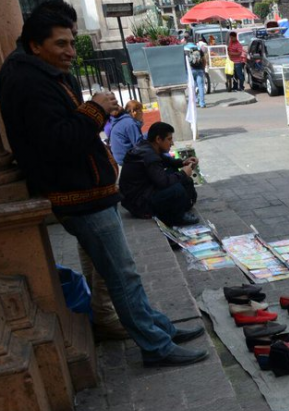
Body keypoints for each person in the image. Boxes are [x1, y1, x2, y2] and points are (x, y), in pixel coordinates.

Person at [0, 3, 207, 367]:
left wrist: (92, 110)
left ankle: (157, 328)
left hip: (92, 190)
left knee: (120, 271)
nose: (69, 51)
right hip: (78, 195)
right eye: (61, 44)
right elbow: (57, 142)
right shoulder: (26, 81)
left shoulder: (46, 72)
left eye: (72, 41)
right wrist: (95, 109)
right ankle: (155, 345)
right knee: (121, 273)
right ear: (35, 45)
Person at [119, 122, 199, 227]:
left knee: (176, 174)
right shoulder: (149, 155)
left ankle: (183, 206)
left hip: (141, 193)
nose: (172, 143)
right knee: (176, 188)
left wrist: (183, 162)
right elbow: (163, 182)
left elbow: (165, 160)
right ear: (158, 139)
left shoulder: (148, 147)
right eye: (169, 139)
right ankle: (177, 218)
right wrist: (183, 173)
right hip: (139, 204)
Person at [109, 100, 145, 165]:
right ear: (133, 112)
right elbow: (139, 144)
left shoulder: (120, 121)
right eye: (140, 111)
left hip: (120, 157)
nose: (142, 113)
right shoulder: (130, 123)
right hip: (127, 159)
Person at [187, 42, 207, 108]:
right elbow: (204, 60)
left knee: (192, 86)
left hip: (191, 70)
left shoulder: (187, 50)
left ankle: (195, 100)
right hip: (200, 70)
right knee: (201, 86)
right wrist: (203, 69)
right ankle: (202, 103)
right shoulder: (199, 50)